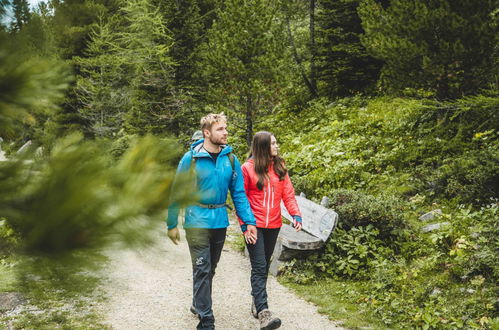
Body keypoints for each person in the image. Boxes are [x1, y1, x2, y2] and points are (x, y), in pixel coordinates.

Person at [166, 113, 257, 330]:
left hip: (219, 221)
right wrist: (172, 224)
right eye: (220, 129)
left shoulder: (231, 160)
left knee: (210, 268)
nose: (225, 132)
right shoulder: (191, 159)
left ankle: (198, 303)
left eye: (226, 128)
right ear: (207, 133)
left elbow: (239, 194)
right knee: (202, 268)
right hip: (196, 220)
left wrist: (248, 222)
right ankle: (206, 319)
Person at [238, 131, 302, 330]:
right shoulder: (247, 169)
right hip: (253, 226)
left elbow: (288, 194)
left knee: (264, 265)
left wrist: (296, 215)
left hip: (273, 224)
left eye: (276, 142)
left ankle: (256, 301)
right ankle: (264, 312)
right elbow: (241, 200)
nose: (277, 146)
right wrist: (244, 225)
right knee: (258, 266)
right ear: (263, 146)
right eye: (273, 143)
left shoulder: (280, 167)